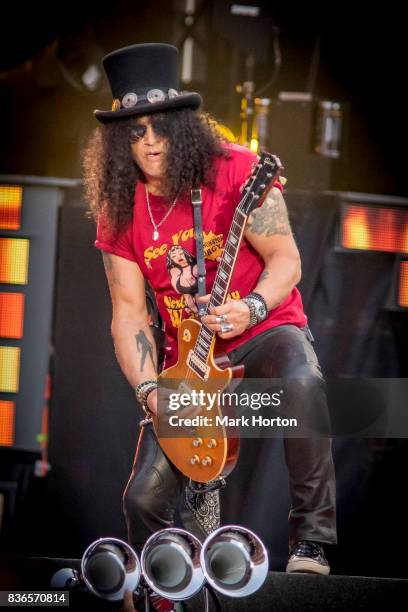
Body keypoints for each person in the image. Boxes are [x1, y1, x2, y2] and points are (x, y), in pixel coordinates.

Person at [84, 42, 337, 577]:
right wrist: (151, 391)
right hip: (190, 364)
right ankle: (166, 592)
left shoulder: (238, 170)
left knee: (303, 379)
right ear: (116, 141)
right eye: (135, 132)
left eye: (160, 128)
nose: (149, 143)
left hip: (262, 329)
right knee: (142, 501)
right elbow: (128, 313)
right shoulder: (119, 207)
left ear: (184, 126)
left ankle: (311, 541)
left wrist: (250, 307)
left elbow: (287, 261)